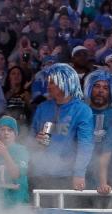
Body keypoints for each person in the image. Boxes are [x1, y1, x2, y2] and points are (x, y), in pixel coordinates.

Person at [28, 63, 94, 191]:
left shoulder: (82, 110)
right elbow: (31, 137)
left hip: (66, 175)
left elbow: (85, 145)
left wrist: (79, 174)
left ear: (64, 82)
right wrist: (37, 141)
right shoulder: (43, 107)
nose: (48, 86)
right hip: (39, 173)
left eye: (52, 82)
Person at [0, 116, 30, 208]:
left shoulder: (22, 150)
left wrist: (5, 153)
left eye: (10, 130)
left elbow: (16, 175)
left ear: (15, 134)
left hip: (17, 202)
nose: (6, 133)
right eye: (2, 130)